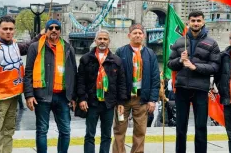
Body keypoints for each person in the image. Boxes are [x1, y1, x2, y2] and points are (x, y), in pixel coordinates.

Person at [0, 16, 41, 153]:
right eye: (5, 29)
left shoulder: (14, 44)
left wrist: (41, 35)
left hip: (13, 96)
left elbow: (28, 46)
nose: (8, 32)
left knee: (8, 132)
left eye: (11, 29)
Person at [168, 11, 220, 153]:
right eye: (193, 21)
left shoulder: (212, 43)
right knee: (180, 127)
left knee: (201, 127)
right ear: (188, 22)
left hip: (201, 89)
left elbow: (215, 67)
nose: (196, 23)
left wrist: (195, 67)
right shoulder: (180, 42)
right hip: (182, 88)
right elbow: (170, 64)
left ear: (203, 22)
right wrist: (180, 60)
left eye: (198, 21)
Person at [24, 19, 77, 153]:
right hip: (42, 96)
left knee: (65, 131)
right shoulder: (35, 47)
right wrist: (29, 95)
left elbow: (73, 73)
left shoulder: (68, 48)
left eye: (57, 28)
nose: (54, 30)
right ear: (46, 31)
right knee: (42, 130)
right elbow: (28, 72)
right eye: (51, 28)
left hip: (63, 96)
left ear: (60, 31)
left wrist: (73, 96)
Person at [77, 29, 127, 153]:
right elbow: (81, 81)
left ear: (109, 41)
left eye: (105, 39)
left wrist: (121, 102)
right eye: (100, 39)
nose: (102, 41)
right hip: (91, 102)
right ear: (95, 41)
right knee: (90, 135)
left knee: (106, 135)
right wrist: (82, 98)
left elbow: (121, 83)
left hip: (108, 103)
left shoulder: (116, 61)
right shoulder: (85, 59)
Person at [112, 23, 160, 153]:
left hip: (142, 99)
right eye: (135, 33)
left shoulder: (150, 54)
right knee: (119, 129)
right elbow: (115, 77)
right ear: (129, 35)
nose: (137, 35)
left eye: (140, 33)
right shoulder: (121, 52)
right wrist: (118, 100)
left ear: (143, 36)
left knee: (140, 131)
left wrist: (152, 99)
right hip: (124, 99)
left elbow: (155, 78)